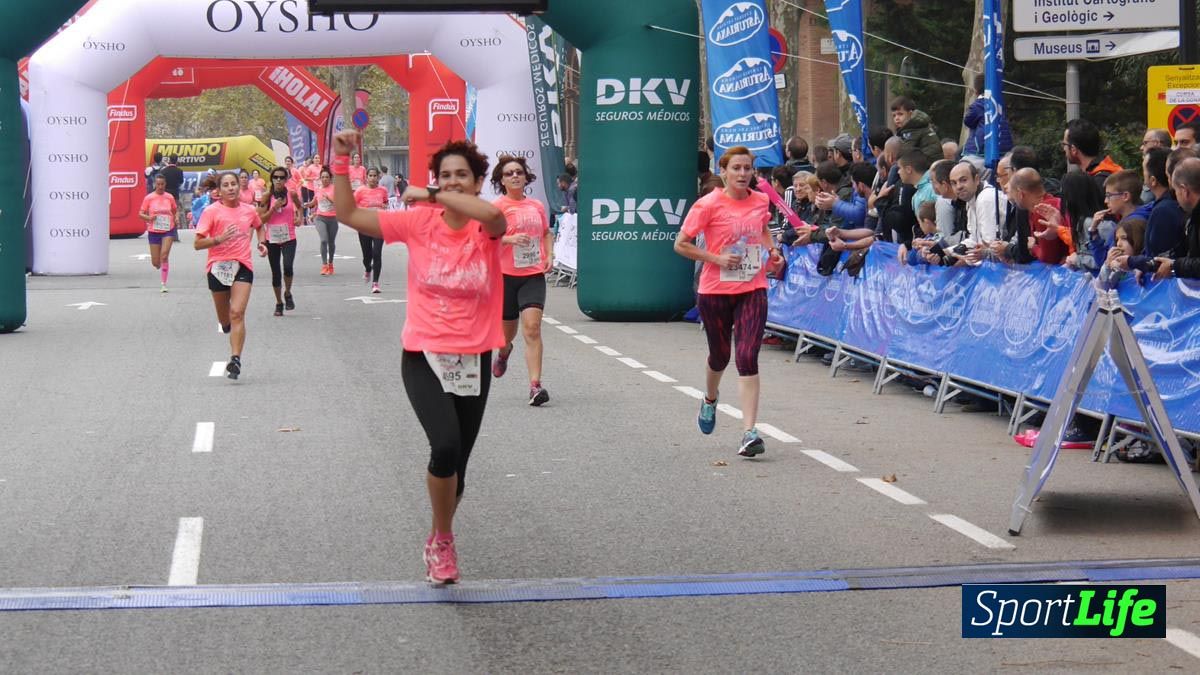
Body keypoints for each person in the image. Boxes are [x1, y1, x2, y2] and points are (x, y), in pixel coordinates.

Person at [330, 129, 507, 585]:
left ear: (476, 181)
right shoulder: (416, 224)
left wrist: (431, 193)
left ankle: (437, 532)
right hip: (423, 354)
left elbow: (491, 216)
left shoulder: (488, 223)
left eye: (461, 176)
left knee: (459, 471)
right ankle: (444, 542)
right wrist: (340, 160)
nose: (452, 182)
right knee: (444, 446)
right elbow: (348, 213)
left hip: (473, 359)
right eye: (444, 175)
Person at [673, 145, 784, 458]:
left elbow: (762, 229)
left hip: (752, 287)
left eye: (747, 168)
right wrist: (715, 258)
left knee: (747, 355)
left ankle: (749, 432)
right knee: (720, 355)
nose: (743, 174)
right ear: (723, 172)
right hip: (715, 290)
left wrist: (773, 253)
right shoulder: (707, 204)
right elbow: (680, 245)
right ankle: (710, 398)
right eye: (736, 168)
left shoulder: (761, 199)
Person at [489, 155, 554, 406]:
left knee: (532, 328)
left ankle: (535, 386)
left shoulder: (536, 205)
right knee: (507, 337)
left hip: (532, 275)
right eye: (509, 173)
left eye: (519, 172)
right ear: (502, 180)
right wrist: (508, 240)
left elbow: (546, 233)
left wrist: (550, 254)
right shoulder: (497, 207)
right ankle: (504, 353)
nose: (515, 176)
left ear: (526, 177)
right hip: (505, 277)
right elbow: (485, 238)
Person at [194, 172, 265, 380]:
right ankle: (226, 326)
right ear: (219, 190)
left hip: (243, 265)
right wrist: (219, 239)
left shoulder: (249, 210)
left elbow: (259, 226)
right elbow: (197, 243)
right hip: (217, 268)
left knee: (237, 313)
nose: (231, 188)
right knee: (225, 319)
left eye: (234, 184)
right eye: (226, 185)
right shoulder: (211, 212)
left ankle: (235, 359)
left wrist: (262, 243)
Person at [257, 166, 303, 316]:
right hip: (272, 239)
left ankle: (288, 293)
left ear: (286, 179)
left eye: (281, 177)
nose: (278, 180)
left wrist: (299, 217)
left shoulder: (291, 193)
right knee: (276, 272)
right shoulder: (266, 196)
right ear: (271, 179)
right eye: (275, 177)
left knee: (288, 267)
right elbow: (260, 220)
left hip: (289, 237)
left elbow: (300, 206)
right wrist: (272, 208)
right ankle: (278, 303)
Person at [139, 174, 179, 293]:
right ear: (155, 184)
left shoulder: (169, 197)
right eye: (158, 184)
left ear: (165, 184)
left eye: (162, 184)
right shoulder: (149, 198)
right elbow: (140, 214)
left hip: (168, 230)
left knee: (164, 255)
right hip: (154, 231)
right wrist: (149, 218)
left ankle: (163, 284)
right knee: (156, 263)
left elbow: (175, 211)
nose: (160, 186)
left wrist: (176, 218)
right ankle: (160, 266)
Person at [962, 73, 1014, 160]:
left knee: (960, 156)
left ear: (976, 90)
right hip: (1005, 148)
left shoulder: (978, 104)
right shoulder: (999, 103)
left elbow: (968, 121)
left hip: (982, 149)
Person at [1062, 118, 1122, 192]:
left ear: (1074, 149)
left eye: (1064, 144)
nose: (1064, 149)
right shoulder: (1111, 172)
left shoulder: (1098, 182)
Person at [354, 167, 389, 293]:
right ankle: (368, 268)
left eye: (375, 176)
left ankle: (375, 283)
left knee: (377, 253)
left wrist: (384, 206)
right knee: (367, 256)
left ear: (378, 177)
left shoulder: (383, 190)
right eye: (370, 176)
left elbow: (386, 202)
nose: (373, 178)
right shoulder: (360, 191)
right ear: (366, 177)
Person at [307, 167, 339, 275]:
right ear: (320, 179)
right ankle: (324, 265)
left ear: (330, 178)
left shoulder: (335, 189)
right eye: (323, 177)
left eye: (327, 177)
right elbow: (314, 202)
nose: (325, 179)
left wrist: (329, 198)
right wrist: (308, 204)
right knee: (323, 240)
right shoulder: (318, 189)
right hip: (320, 218)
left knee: (331, 242)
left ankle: (330, 264)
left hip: (333, 218)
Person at [890, 96, 942, 164]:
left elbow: (906, 151)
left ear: (910, 114)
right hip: (928, 162)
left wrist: (896, 160)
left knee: (895, 167)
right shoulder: (917, 125)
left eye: (900, 114)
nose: (896, 118)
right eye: (894, 115)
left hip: (928, 164)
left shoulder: (913, 129)